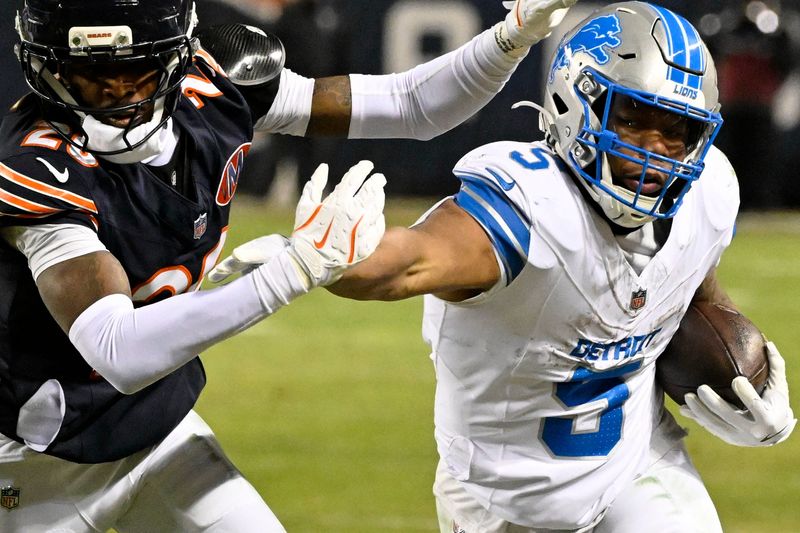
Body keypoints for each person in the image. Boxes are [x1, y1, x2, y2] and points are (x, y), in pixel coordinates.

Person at [214, 2, 796, 531]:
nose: (656, 150)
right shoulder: (531, 207)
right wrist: (333, 262)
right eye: (634, 120)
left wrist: (746, 381)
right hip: (505, 504)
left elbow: (691, 295)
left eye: (678, 132)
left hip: (640, 469)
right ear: (577, 101)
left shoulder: (710, 190)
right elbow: (411, 262)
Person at [0, 0, 578, 530]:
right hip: (34, 463)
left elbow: (410, 104)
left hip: (155, 430)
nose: (115, 93)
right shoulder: (34, 167)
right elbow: (117, 349)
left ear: (179, 57)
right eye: (88, 74)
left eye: (138, 70)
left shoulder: (214, 84)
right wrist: (293, 272)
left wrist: (512, 34)